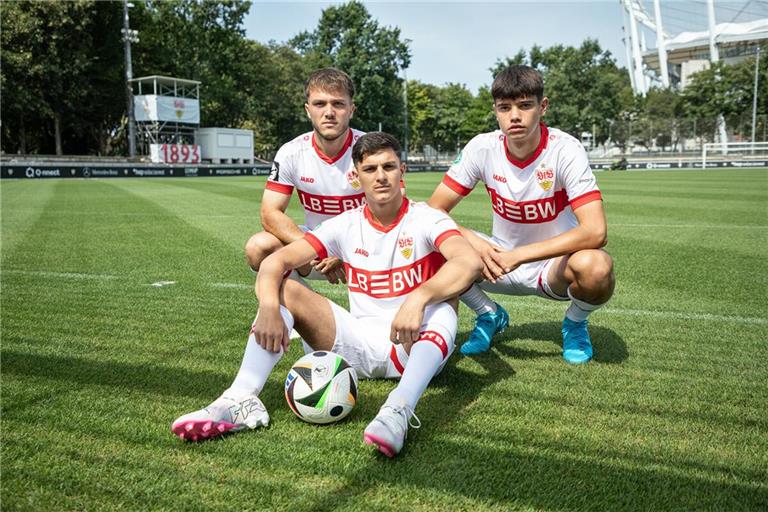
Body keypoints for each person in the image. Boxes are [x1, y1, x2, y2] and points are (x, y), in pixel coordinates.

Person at [172, 132, 482, 458]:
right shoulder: (343, 225)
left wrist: (418, 298)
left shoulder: (427, 218)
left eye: (389, 166)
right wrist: (268, 308)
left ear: (402, 170)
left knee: (445, 304)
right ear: (355, 176)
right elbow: (275, 261)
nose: (380, 176)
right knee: (283, 288)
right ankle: (240, 399)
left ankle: (398, 410)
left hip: (411, 346)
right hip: (356, 348)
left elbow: (468, 261)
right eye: (371, 168)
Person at [427, 65, 615, 364]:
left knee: (596, 266)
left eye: (525, 106)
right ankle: (489, 314)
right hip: (496, 260)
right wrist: (477, 245)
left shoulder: (565, 149)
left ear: (543, 107)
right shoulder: (482, 147)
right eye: (505, 108)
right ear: (496, 111)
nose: (514, 115)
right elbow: (432, 212)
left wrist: (519, 255)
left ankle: (576, 323)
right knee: (428, 244)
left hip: (552, 269)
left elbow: (595, 231)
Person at [244, 68, 365, 285]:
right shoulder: (291, 152)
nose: (329, 112)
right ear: (308, 110)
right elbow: (269, 214)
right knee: (259, 246)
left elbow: (396, 212)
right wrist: (318, 246)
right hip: (315, 252)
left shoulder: (371, 148)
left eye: (338, 104)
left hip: (365, 249)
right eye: (320, 104)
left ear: (351, 110)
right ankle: (306, 310)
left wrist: (350, 248)